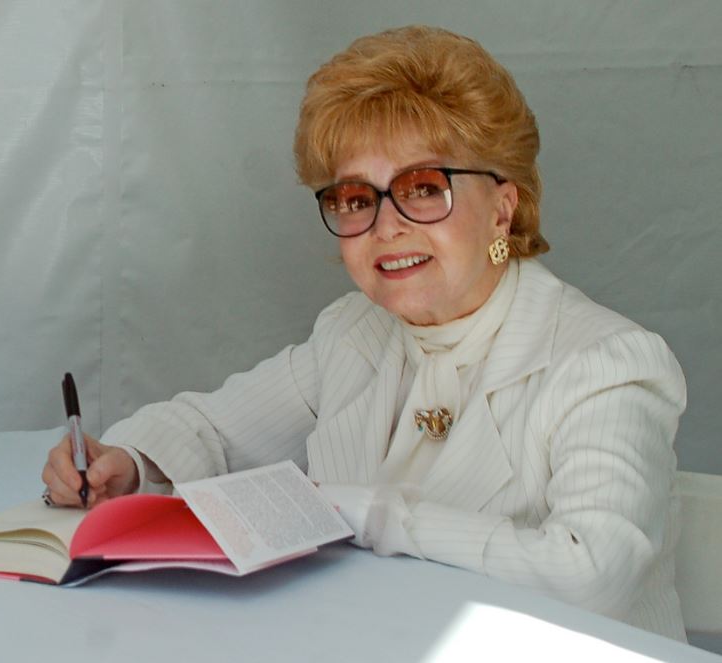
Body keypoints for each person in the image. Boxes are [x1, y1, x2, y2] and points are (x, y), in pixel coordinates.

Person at [42, 26, 687, 640]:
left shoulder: (607, 362)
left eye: (423, 188)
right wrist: (125, 467)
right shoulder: (355, 332)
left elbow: (593, 577)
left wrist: (375, 515)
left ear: (503, 207)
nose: (386, 227)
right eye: (356, 198)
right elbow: (212, 429)